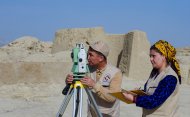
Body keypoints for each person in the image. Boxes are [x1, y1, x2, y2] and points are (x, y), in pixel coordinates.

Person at [122, 40, 181, 117]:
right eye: (150, 56)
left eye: (153, 56)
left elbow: (155, 100)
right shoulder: (154, 73)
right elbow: (151, 92)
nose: (150, 59)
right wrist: (138, 92)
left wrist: (134, 99)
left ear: (163, 56)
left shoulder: (170, 77)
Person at [66, 40, 122, 117]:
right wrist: (68, 80)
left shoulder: (115, 73)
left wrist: (94, 85)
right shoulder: (87, 68)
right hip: (92, 112)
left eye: (91, 55)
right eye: (87, 54)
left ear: (101, 58)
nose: (87, 58)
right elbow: (75, 78)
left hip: (109, 114)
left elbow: (112, 98)